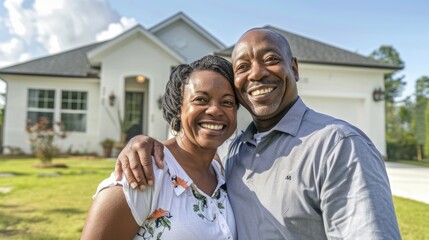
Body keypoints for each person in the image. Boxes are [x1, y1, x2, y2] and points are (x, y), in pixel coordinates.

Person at [115, 28, 401, 239]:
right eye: (242, 67)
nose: (256, 74)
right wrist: (142, 141)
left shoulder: (338, 146)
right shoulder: (230, 153)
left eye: (271, 58)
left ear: (294, 68)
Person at [81, 55, 238, 240]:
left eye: (227, 102)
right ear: (178, 108)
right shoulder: (143, 173)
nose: (215, 110)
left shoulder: (224, 174)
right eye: (201, 100)